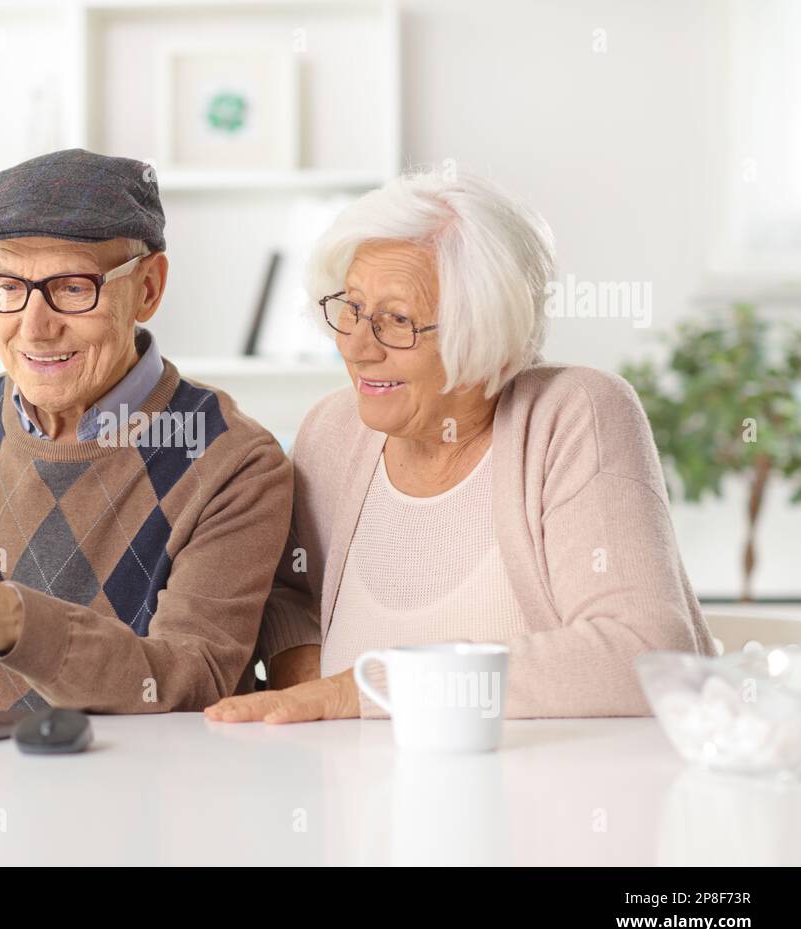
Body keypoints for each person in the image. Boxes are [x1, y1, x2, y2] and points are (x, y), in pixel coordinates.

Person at [205, 168, 712, 724]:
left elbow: (644, 652)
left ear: (489, 336)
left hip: (552, 796)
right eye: (350, 307)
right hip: (359, 795)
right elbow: (291, 597)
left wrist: (366, 690)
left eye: (396, 320)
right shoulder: (332, 429)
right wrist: (301, 676)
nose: (354, 346)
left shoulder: (576, 414)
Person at [0, 148, 293, 713]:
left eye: (72, 288)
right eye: (8, 286)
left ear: (148, 288)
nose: (35, 328)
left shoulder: (233, 461)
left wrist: (17, 623)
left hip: (146, 792)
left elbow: (191, 679)